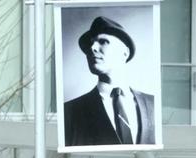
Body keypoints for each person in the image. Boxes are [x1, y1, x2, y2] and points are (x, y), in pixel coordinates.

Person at [63, 16, 155, 147]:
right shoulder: (69, 112)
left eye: (103, 41)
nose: (92, 48)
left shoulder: (153, 105)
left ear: (125, 53)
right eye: (90, 43)